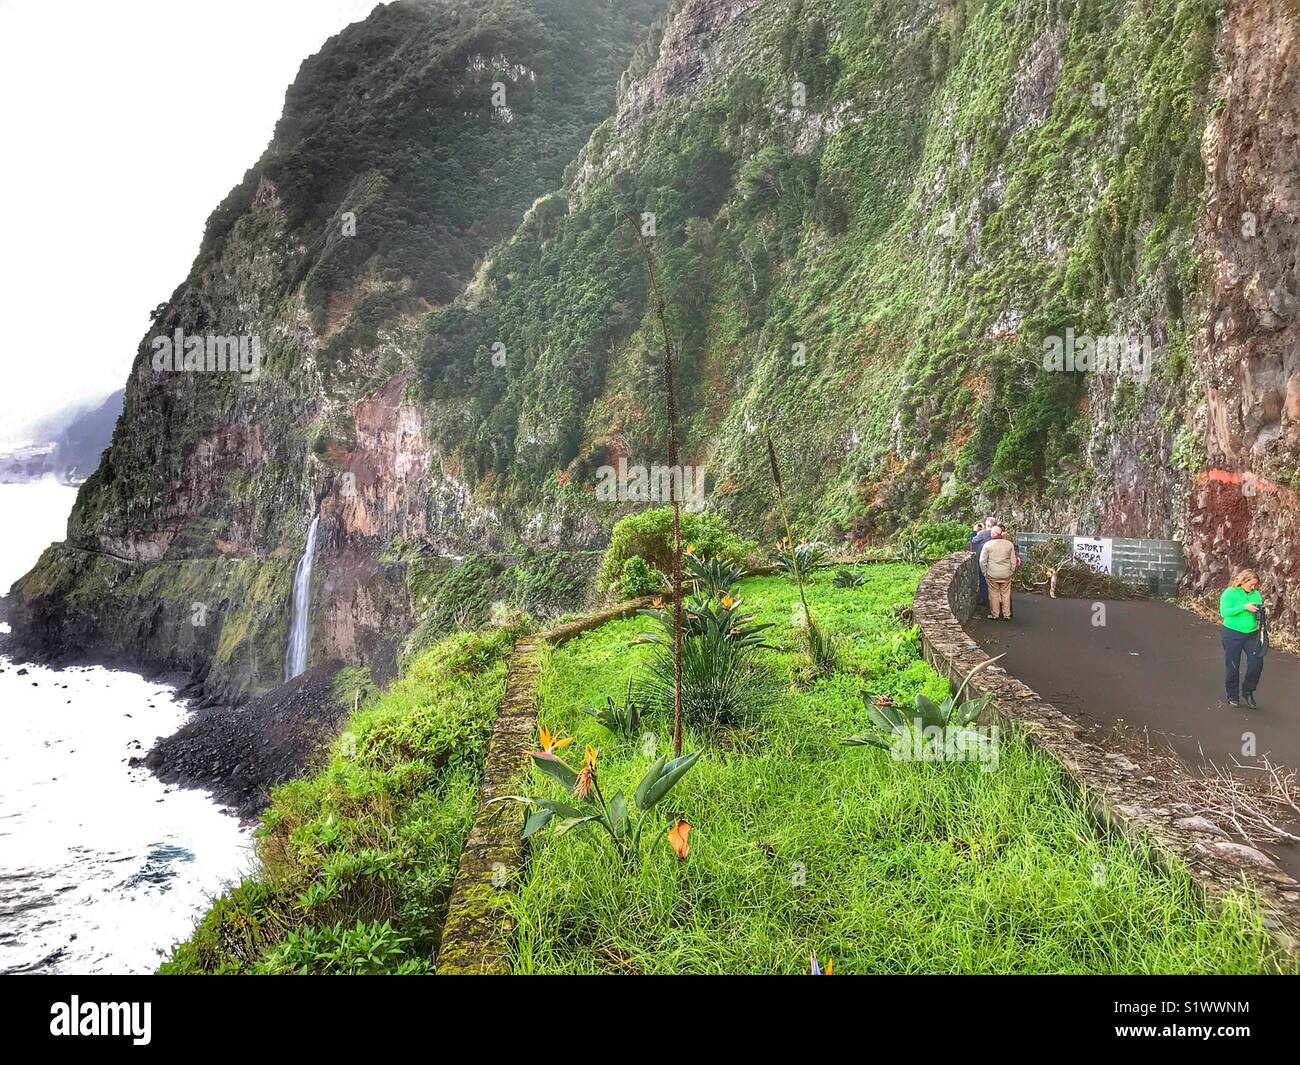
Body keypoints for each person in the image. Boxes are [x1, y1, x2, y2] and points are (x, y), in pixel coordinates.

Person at [1219, 568, 1265, 708]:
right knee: (1233, 665)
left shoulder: (1256, 595)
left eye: (1255, 585)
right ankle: (1232, 695)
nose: (1253, 587)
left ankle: (1248, 691)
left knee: (1256, 663)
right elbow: (1224, 612)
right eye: (1251, 584)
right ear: (1243, 581)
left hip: (1251, 634)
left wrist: (1261, 613)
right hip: (1232, 633)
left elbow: (1257, 612)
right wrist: (1244, 607)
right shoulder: (1230, 593)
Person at [979, 525, 1017, 620]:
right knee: (1006, 594)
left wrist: (985, 572)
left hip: (992, 574)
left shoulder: (987, 545)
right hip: (1006, 574)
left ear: (992, 534)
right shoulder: (1009, 544)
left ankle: (995, 614)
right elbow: (1013, 560)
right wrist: (1012, 571)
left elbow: (982, 561)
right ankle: (1007, 614)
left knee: (994, 593)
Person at [966, 516, 998, 607]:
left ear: (987, 524)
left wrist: (975, 531)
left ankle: (986, 602)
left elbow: (973, 541)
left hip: (983, 560)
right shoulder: (998, 533)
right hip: (995, 561)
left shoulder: (983, 534)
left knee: (983, 581)